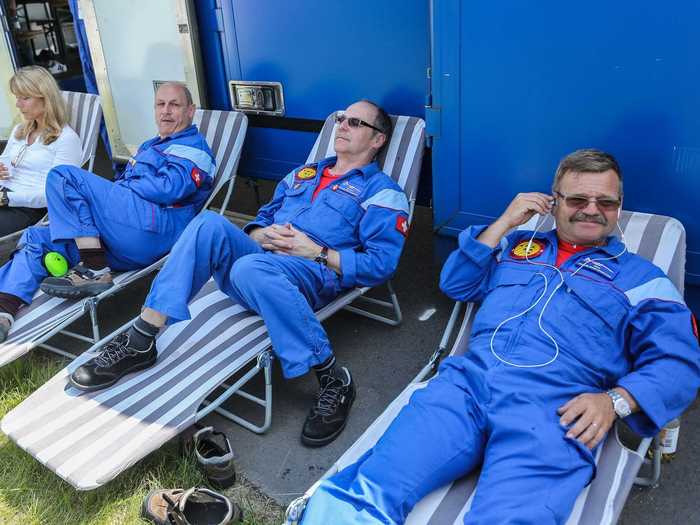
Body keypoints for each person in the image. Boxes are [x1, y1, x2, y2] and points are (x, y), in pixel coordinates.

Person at [298, 149, 700, 524]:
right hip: (464, 389)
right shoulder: (515, 247)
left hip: (555, 411)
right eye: (578, 200)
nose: (592, 211)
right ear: (554, 201)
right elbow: (456, 282)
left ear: (618, 208)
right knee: (368, 488)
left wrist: (614, 402)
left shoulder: (643, 280)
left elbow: (679, 363)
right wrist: (506, 221)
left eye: (606, 203)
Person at [69, 100, 409, 448]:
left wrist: (317, 251)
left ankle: (332, 377)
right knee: (208, 223)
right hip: (259, 264)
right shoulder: (303, 174)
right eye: (340, 119)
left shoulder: (382, 193)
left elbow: (381, 264)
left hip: (312, 273)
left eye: (355, 123)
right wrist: (259, 235)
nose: (342, 126)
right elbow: (261, 220)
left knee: (249, 267)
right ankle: (142, 340)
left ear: (378, 139)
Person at [0, 81, 215, 343]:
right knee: (37, 238)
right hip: (119, 234)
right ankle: (5, 310)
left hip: (154, 230)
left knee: (64, 176)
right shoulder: (151, 144)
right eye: (160, 104)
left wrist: (119, 191)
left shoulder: (194, 148)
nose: (166, 111)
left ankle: (94, 266)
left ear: (191, 111)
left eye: (175, 105)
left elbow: (169, 188)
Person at [0, 66, 81, 236]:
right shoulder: (20, 130)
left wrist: (6, 198)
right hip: (4, 195)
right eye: (17, 97)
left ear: (47, 98)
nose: (18, 104)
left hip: (29, 208)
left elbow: (57, 193)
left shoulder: (66, 139)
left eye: (25, 98)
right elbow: (5, 164)